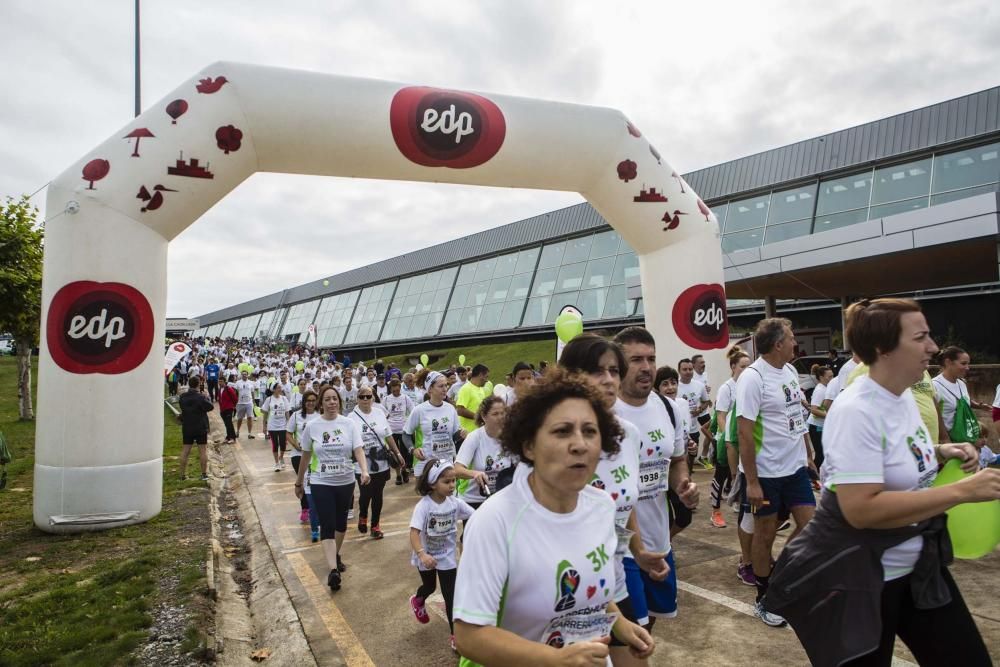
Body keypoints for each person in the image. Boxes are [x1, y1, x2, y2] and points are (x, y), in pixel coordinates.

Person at [766, 298, 997, 667]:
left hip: (919, 567)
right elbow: (861, 509)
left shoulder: (903, 396)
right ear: (882, 349)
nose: (933, 347)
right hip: (862, 582)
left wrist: (940, 451)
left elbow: (896, 458)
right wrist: (961, 491)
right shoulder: (857, 409)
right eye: (920, 337)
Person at [454, 368, 655, 665]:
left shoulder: (602, 507)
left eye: (590, 431)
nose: (580, 444)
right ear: (529, 445)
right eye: (562, 431)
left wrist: (621, 625)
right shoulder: (495, 521)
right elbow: (469, 635)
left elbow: (592, 593)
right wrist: (554, 660)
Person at [561, 332, 670, 666]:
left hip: (614, 580)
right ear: (570, 377)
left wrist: (638, 551)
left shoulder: (629, 435)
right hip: (566, 591)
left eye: (613, 370)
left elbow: (625, 502)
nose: (608, 379)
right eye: (597, 370)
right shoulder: (556, 441)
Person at [613, 327, 698, 630]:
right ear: (618, 364)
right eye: (636, 359)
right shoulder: (603, 413)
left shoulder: (669, 408)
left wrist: (683, 485)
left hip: (659, 540)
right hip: (618, 546)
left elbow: (676, 461)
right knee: (628, 639)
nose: (646, 367)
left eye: (651, 358)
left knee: (648, 628)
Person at [736, 317, 816, 627]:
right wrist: (752, 481)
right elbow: (745, 433)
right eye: (792, 338)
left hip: (794, 468)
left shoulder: (791, 372)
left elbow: (797, 414)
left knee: (810, 528)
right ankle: (764, 597)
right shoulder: (753, 378)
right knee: (765, 533)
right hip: (766, 473)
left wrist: (808, 452)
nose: (797, 343)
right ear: (778, 344)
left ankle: (780, 575)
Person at [295, 386, 369, 591]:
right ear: (321, 403)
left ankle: (335, 554)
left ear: (340, 401)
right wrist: (299, 482)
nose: (331, 403)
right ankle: (333, 571)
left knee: (341, 524)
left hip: (345, 481)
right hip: (321, 481)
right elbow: (306, 456)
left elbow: (358, 449)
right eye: (327, 399)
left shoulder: (349, 424)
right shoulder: (312, 426)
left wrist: (364, 470)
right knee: (327, 524)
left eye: (334, 399)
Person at [409, 459, 475, 653]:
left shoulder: (455, 503)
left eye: (453, 481)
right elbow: (413, 533)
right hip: (426, 555)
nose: (452, 485)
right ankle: (418, 599)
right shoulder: (424, 506)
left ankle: (456, 636)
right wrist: (422, 554)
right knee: (429, 586)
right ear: (432, 483)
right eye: (447, 482)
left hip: (446, 556)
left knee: (451, 595)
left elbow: (476, 515)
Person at [349, 387, 405, 539]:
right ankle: (363, 516)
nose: (366, 399)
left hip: (381, 461)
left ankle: (375, 525)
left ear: (373, 398)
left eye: (368, 396)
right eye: (362, 397)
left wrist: (398, 453)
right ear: (357, 399)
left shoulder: (379, 414)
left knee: (378, 495)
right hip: (362, 463)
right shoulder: (351, 417)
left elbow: (388, 436)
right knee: (366, 494)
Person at [709, 345, 751, 530]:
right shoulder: (726, 388)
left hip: (743, 438)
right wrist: (728, 438)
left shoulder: (749, 385)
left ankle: (742, 505)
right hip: (727, 440)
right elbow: (720, 416)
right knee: (722, 474)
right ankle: (715, 511)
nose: (746, 370)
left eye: (749, 366)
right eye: (742, 366)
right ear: (733, 366)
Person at [454, 396, 513, 508]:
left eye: (503, 413)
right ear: (484, 416)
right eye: (495, 414)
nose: (500, 417)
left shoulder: (510, 437)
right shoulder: (474, 437)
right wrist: (475, 474)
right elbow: (457, 470)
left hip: (501, 498)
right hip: (474, 500)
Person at [404, 369, 464, 477]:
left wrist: (462, 434)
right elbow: (406, 434)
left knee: (447, 493)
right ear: (430, 389)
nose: (445, 389)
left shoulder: (450, 409)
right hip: (425, 463)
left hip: (446, 462)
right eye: (441, 386)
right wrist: (413, 450)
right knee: (426, 494)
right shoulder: (419, 410)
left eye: (446, 385)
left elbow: (455, 434)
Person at [933, 346, 990, 446]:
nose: (967, 368)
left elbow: (963, 400)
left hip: (965, 439)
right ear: (948, 362)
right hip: (947, 442)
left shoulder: (961, 383)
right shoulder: (934, 386)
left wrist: (978, 405)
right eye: (963, 363)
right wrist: (945, 440)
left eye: (968, 364)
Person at [287, 389, 321, 539]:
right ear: (304, 402)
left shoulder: (321, 415)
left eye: (314, 400)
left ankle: (313, 509)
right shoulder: (296, 416)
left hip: (315, 457)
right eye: (308, 400)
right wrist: (295, 445)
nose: (311, 403)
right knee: (304, 481)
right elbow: (288, 433)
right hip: (298, 456)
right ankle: (305, 508)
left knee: (313, 484)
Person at [677, 358, 711, 470]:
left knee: (692, 457)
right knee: (679, 458)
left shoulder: (699, 386)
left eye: (690, 369)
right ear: (679, 371)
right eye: (684, 369)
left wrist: (700, 410)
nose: (688, 372)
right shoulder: (674, 386)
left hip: (693, 429)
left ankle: (689, 475)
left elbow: (706, 401)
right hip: (679, 430)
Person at [179, 377, 213, 481]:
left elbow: (183, 409)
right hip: (200, 426)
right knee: (202, 450)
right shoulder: (201, 397)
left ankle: (182, 475)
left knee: (185, 450)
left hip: (187, 426)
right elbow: (210, 407)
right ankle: (204, 474)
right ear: (198, 385)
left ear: (189, 384)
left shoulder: (183, 397)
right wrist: (207, 397)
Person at [803, 365, 834, 476]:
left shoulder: (828, 388)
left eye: (832, 376)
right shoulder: (820, 390)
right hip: (815, 427)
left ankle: (817, 476)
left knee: (825, 454)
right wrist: (831, 415)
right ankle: (811, 476)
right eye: (829, 377)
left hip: (823, 427)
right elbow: (814, 410)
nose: (831, 379)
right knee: (820, 454)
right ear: (821, 377)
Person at [384, 378, 414, 485]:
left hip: (403, 430)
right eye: (393, 391)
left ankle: (404, 470)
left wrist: (409, 424)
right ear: (390, 389)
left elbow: (412, 411)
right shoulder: (386, 399)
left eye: (397, 390)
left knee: (404, 453)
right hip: (391, 431)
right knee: (395, 454)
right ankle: (398, 475)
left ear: (400, 388)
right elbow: (383, 414)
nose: (396, 393)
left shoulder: (406, 398)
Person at [262, 382, 292, 471]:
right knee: (275, 444)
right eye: (278, 388)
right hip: (272, 425)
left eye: (280, 388)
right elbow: (265, 413)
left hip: (283, 425)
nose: (280, 389)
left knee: (283, 444)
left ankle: (281, 457)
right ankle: (276, 463)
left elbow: (287, 412)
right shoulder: (269, 399)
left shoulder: (284, 399)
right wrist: (264, 425)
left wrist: (289, 423)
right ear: (274, 389)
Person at [455, 364, 491, 433]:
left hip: (478, 432)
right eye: (486, 377)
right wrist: (479, 418)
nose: (487, 380)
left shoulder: (481, 389)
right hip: (467, 434)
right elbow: (460, 410)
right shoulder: (466, 389)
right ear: (480, 375)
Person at [233, 371, 256, 438]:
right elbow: (235, 392)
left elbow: (252, 392)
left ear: (247, 375)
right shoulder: (238, 383)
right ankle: (237, 431)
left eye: (245, 374)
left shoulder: (251, 383)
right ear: (241, 375)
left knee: (250, 417)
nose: (244, 375)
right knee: (240, 418)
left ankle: (249, 433)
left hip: (249, 402)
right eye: (243, 374)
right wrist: (235, 402)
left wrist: (254, 401)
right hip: (240, 403)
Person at [218, 374, 239, 444]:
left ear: (225, 382)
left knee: (229, 423)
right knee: (226, 424)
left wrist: (233, 406)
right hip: (222, 409)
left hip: (229, 409)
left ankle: (233, 437)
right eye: (219, 381)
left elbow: (235, 398)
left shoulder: (228, 389)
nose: (220, 383)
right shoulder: (219, 389)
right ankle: (228, 437)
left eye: (221, 381)